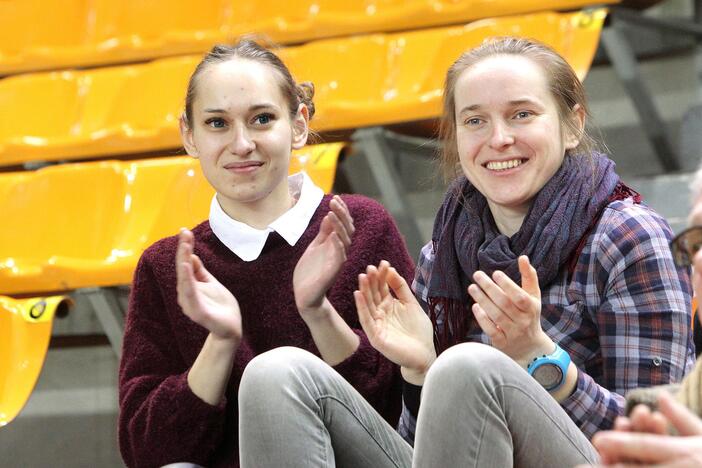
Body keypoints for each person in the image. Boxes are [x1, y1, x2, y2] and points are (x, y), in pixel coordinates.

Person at [236, 36, 695, 468]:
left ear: (572, 125)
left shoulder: (627, 236)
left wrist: (540, 357)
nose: (498, 139)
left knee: (468, 366)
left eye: (521, 114)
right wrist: (420, 371)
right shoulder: (444, 254)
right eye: (475, 120)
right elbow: (429, 450)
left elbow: (660, 441)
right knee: (276, 374)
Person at [117, 40, 415, 468]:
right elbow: (147, 451)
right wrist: (220, 343)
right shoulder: (167, 267)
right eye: (217, 123)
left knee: (275, 372)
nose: (241, 144)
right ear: (189, 135)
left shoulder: (361, 225)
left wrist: (317, 311)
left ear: (298, 124)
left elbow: (399, 408)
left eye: (262, 119)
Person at [579, 166, 702, 468]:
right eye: (697, 241)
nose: (698, 258)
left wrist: (544, 360)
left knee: (473, 370)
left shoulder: (631, 235)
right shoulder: (693, 389)